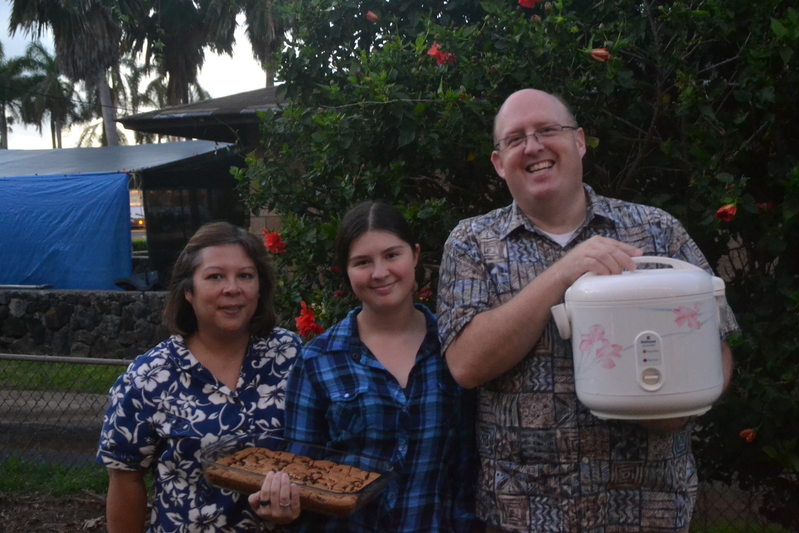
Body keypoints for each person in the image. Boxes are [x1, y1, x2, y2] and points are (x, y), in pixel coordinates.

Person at [436, 89, 738, 533]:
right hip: (523, 514)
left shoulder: (656, 230)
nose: (533, 146)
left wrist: (686, 406)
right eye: (515, 138)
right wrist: (561, 275)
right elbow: (465, 364)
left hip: (645, 509)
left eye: (547, 130)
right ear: (499, 164)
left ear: (579, 141)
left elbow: (720, 342)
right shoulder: (472, 243)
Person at [251, 201, 479, 532]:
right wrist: (283, 503)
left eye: (392, 255)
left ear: (415, 255)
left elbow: (467, 470)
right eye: (362, 262)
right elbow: (300, 473)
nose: (379, 272)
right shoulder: (318, 360)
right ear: (345, 270)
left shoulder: (455, 349)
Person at [97, 221, 303, 533]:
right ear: (189, 292)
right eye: (215, 276)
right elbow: (125, 481)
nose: (232, 288)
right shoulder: (149, 377)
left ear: (259, 288)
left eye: (245, 276)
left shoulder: (292, 356)